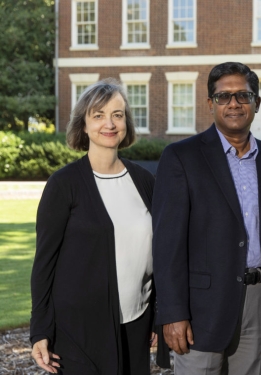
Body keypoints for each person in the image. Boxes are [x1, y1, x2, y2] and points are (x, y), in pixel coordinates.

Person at [152, 62, 261, 375]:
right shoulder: (181, 157)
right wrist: (173, 312)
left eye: (243, 96)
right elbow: (166, 244)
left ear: (257, 102)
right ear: (210, 103)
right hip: (200, 306)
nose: (233, 104)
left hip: (257, 302)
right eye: (223, 97)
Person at [30, 78, 157, 374]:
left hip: (136, 323)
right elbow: (44, 264)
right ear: (84, 126)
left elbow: (161, 252)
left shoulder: (145, 181)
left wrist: (157, 314)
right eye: (98, 115)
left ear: (126, 122)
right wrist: (40, 330)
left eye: (117, 114)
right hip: (79, 331)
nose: (109, 123)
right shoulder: (64, 185)